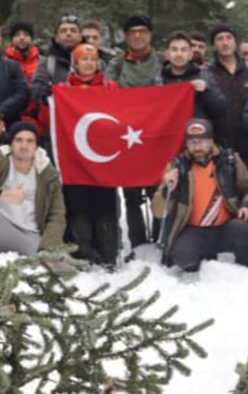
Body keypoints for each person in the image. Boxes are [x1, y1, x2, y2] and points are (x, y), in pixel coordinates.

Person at [157, 119, 248, 272]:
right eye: (192, 142)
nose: (197, 147)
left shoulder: (229, 160)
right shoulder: (177, 166)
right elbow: (158, 211)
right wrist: (167, 188)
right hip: (194, 230)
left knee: (244, 229)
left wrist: (246, 205)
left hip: (225, 227)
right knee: (184, 258)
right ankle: (200, 265)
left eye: (202, 141)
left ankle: (246, 272)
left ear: (211, 141)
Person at [55, 44, 121, 265]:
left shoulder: (109, 87)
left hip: (103, 159)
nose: (89, 63)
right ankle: (82, 253)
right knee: (78, 207)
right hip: (75, 159)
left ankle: (108, 253)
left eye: (93, 59)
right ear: (76, 62)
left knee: (105, 207)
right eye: (84, 59)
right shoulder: (64, 88)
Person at [0, 122, 66, 255]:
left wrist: (47, 248)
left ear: (37, 146)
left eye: (30, 141)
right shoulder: (0, 162)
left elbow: (57, 216)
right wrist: (3, 195)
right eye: (19, 140)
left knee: (56, 269)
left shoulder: (48, 174)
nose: (24, 145)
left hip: (29, 234)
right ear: (11, 144)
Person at [105, 15, 162, 247]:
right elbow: (107, 93)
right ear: (126, 37)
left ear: (149, 35)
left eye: (142, 31)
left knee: (158, 191)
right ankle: (137, 243)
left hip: (157, 134)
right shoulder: (116, 64)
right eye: (132, 32)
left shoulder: (162, 61)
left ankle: (160, 238)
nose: (137, 36)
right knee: (130, 194)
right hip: (128, 136)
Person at [154, 32, 227, 125]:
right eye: (174, 50)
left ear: (190, 55)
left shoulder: (204, 76)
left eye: (183, 50)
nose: (179, 54)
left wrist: (206, 91)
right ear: (167, 54)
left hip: (196, 136)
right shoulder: (158, 80)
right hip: (169, 135)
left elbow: (221, 109)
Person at [208, 24, 248, 154]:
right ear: (213, 45)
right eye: (220, 39)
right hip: (219, 144)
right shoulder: (206, 73)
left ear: (235, 42)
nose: (225, 43)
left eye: (229, 38)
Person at [31, 14, 83, 110]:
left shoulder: (95, 62)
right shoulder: (47, 64)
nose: (68, 34)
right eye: (63, 31)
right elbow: (36, 92)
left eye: (73, 30)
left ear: (80, 36)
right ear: (56, 38)